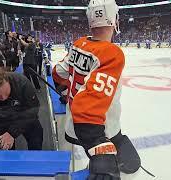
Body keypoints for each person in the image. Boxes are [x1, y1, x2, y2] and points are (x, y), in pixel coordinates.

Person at [52, 0, 141, 179]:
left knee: (129, 162)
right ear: (113, 19)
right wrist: (98, 145)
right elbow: (88, 110)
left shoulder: (78, 44)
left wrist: (66, 93)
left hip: (73, 124)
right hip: (101, 129)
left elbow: (58, 73)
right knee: (131, 169)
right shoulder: (111, 53)